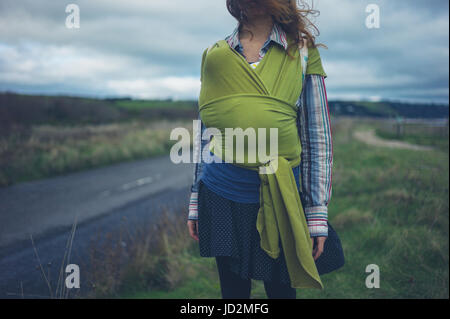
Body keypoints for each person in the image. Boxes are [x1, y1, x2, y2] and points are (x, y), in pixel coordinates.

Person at [187, 0, 333, 299]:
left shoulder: (303, 52)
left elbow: (317, 136)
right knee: (233, 292)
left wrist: (316, 212)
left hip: (280, 192)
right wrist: (194, 198)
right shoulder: (215, 55)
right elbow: (206, 133)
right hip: (219, 191)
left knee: (281, 290)